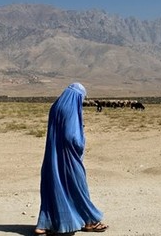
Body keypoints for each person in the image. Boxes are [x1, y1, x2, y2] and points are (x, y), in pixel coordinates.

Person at [34, 82, 108, 234]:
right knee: (78, 186)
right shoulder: (71, 108)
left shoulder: (55, 106)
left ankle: (43, 225)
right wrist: (80, 144)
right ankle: (90, 221)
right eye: (81, 98)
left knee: (53, 187)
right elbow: (71, 136)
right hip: (69, 157)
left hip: (52, 157)